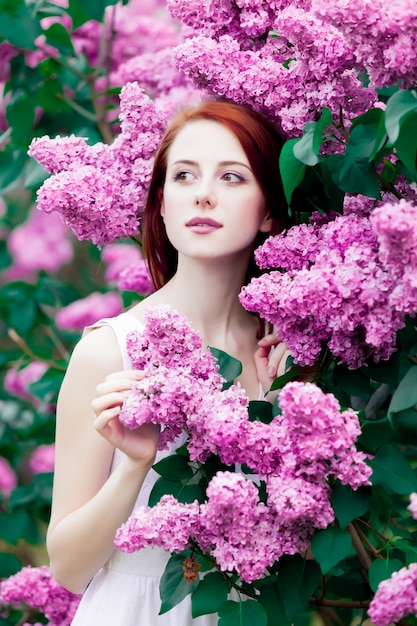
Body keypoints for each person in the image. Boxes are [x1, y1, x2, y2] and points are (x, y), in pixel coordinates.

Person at [47, 100, 291, 625]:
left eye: (232, 176)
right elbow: (67, 567)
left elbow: (301, 554)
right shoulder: (110, 349)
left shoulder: (282, 356)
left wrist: (287, 398)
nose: (203, 193)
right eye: (184, 175)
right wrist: (134, 465)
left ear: (269, 209)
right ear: (161, 202)